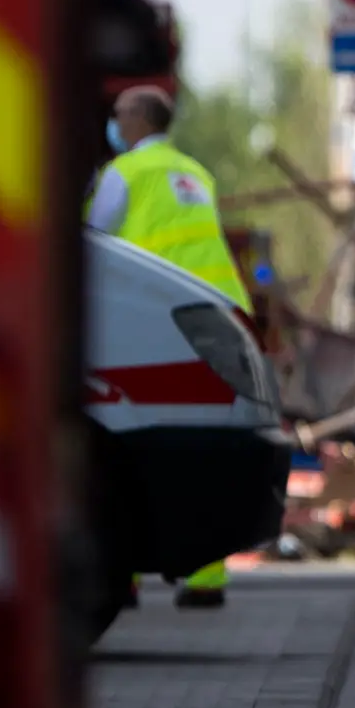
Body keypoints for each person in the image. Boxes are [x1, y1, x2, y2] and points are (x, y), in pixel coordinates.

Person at [87, 85, 252, 609]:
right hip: (219, 311)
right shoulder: (193, 171)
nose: (113, 121)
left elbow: (93, 236)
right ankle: (205, 578)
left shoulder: (125, 173)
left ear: (135, 118)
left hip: (154, 314)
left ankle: (123, 574)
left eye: (116, 113)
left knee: (129, 439)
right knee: (205, 439)